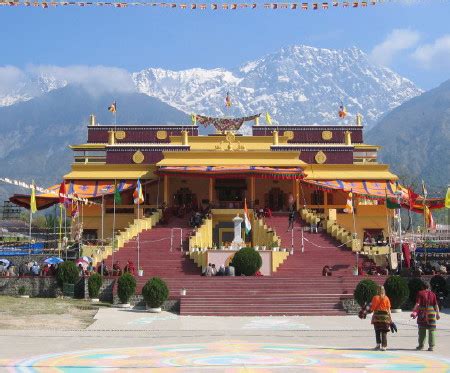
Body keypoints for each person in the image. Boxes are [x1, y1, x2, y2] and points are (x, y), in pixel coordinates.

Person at [411, 281, 440, 351]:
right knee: (431, 330)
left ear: (422, 287)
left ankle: (421, 346)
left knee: (422, 330)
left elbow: (418, 304)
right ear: (428, 287)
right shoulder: (433, 294)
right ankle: (431, 346)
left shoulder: (420, 293)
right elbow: (436, 305)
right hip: (431, 313)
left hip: (422, 313)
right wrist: (438, 314)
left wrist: (414, 310)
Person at [370, 285, 392, 351]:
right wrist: (390, 318)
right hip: (385, 317)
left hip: (377, 316)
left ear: (377, 290)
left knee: (377, 331)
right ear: (384, 290)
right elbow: (388, 309)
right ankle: (384, 346)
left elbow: (373, 308)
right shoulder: (386, 298)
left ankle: (378, 345)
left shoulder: (375, 298)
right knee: (384, 332)